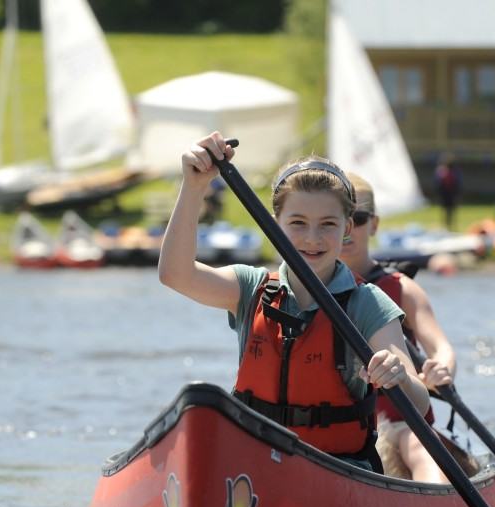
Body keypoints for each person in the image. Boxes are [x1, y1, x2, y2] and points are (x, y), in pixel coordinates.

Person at [158, 132, 430, 473]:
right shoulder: (250, 287)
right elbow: (175, 274)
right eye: (298, 223)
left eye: (327, 225)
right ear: (276, 225)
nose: (312, 239)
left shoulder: (368, 302)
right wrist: (194, 187)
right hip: (253, 465)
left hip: (339, 471)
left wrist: (399, 374)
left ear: (348, 228)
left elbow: (418, 404)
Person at [339, 173, 455, 484]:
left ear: (374, 224)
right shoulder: (303, 290)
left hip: (401, 422)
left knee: (418, 446)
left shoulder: (401, 288)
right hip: (337, 424)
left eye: (358, 219)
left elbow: (440, 347)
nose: (348, 231)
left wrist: (439, 371)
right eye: (340, 220)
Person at [434, 153, 462, 231]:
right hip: (447, 194)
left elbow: (456, 184)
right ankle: (447, 226)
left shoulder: (450, 172)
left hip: (448, 194)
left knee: (449, 211)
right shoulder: (443, 172)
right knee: (448, 211)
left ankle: (449, 226)